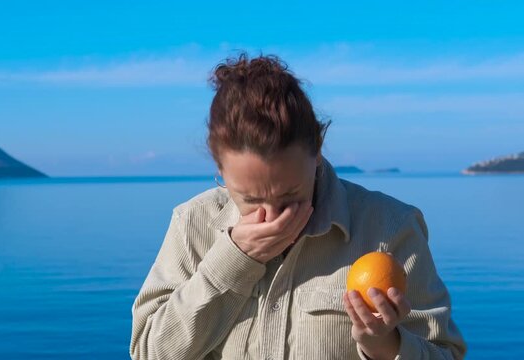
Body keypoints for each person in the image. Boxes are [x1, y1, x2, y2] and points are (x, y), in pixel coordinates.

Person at [130, 53, 466, 359]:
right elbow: (148, 353)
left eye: (291, 195)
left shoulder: (391, 227)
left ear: (317, 149)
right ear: (219, 168)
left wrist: (384, 345)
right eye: (250, 199)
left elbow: (446, 354)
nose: (272, 216)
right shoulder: (193, 223)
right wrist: (231, 261)